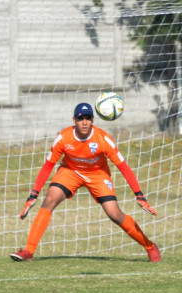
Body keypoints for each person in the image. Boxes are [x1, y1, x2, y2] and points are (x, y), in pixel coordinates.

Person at [10, 102, 160, 262]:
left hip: (98, 174)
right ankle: (28, 251)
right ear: (74, 120)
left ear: (93, 120)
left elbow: (123, 167)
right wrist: (34, 194)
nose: (84, 122)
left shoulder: (103, 139)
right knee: (49, 201)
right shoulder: (63, 138)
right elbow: (48, 165)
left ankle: (150, 247)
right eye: (80, 118)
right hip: (70, 171)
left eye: (88, 118)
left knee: (114, 214)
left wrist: (139, 195)